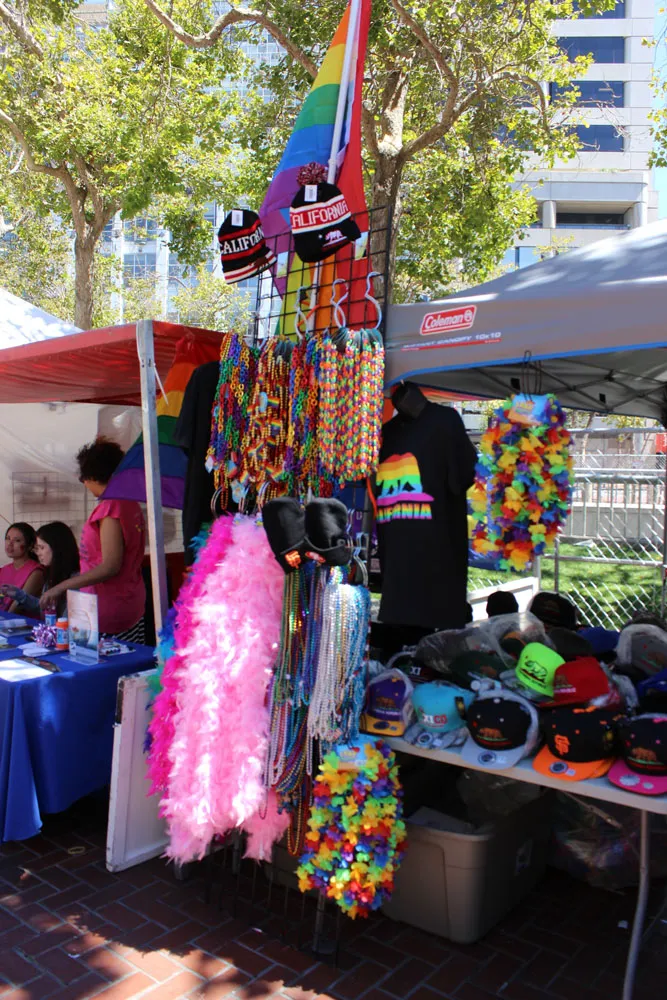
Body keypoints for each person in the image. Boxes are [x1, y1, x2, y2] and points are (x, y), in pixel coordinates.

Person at [39, 439, 146, 642]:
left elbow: (110, 566)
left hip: (107, 609)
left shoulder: (111, 507)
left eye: (84, 477)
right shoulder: (129, 503)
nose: (84, 483)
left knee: (102, 661)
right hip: (126, 601)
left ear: (92, 476)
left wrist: (62, 586)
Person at [1, 521, 80, 617]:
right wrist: (20, 595)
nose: (38, 553)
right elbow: (42, 607)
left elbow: (67, 621)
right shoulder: (51, 576)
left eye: (42, 548)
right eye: (7, 538)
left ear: (56, 548)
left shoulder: (77, 581)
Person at [0, 523, 44, 615]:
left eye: (17, 540)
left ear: (30, 545)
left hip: (20, 621)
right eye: (8, 538)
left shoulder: (36, 571)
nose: (10, 543)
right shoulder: (4, 570)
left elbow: (17, 607)